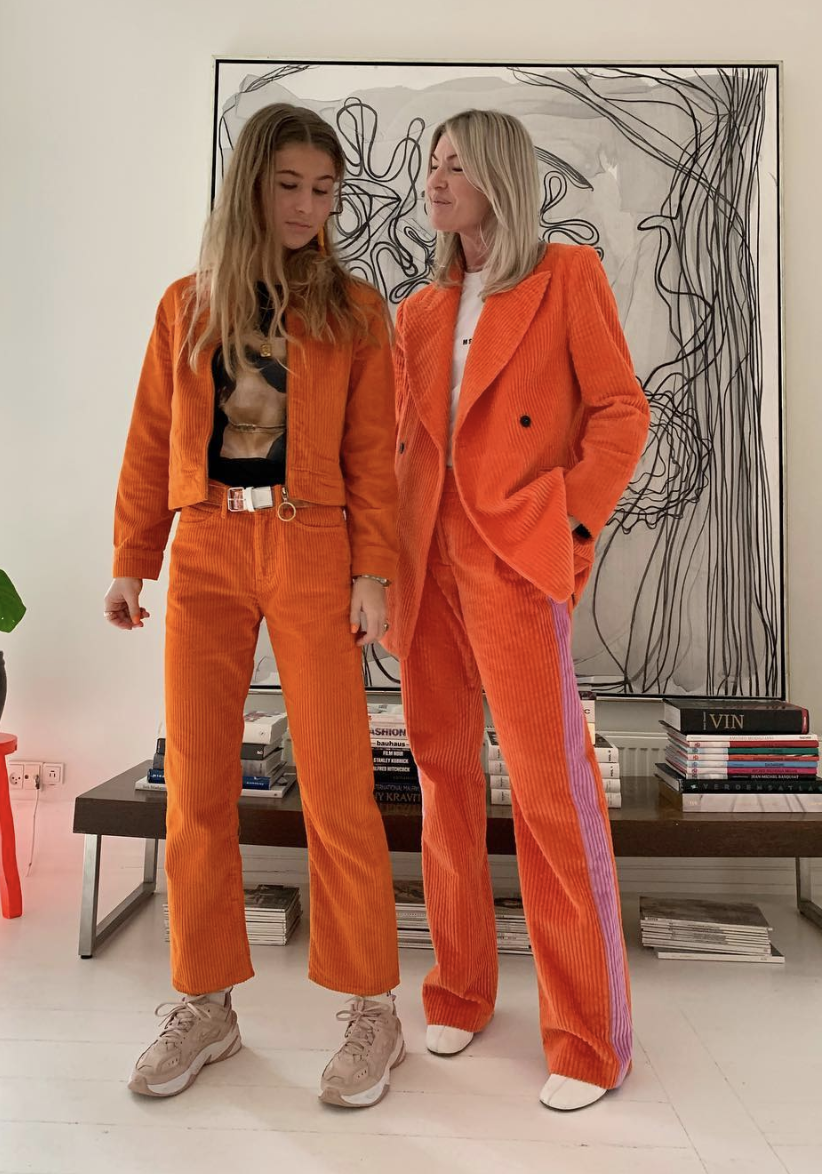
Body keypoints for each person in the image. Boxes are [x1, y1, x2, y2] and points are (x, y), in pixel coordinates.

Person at [104, 103, 404, 1109]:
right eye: (289, 186)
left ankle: (372, 1006)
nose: (308, 207)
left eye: (324, 190)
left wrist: (373, 571)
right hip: (207, 547)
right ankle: (205, 1003)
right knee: (195, 783)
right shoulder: (186, 305)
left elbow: (373, 454)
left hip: (313, 543)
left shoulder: (355, 311)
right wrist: (132, 560)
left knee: (336, 781)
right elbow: (151, 437)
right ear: (250, 188)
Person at [387, 108, 650, 1111]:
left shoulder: (565, 277)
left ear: (499, 174)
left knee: (551, 795)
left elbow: (622, 411)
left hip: (513, 561)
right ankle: (459, 988)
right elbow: (401, 446)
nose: (436, 180)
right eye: (432, 164)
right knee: (443, 781)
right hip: (425, 564)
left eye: (455, 164)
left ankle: (588, 1038)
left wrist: (567, 526)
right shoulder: (418, 311)